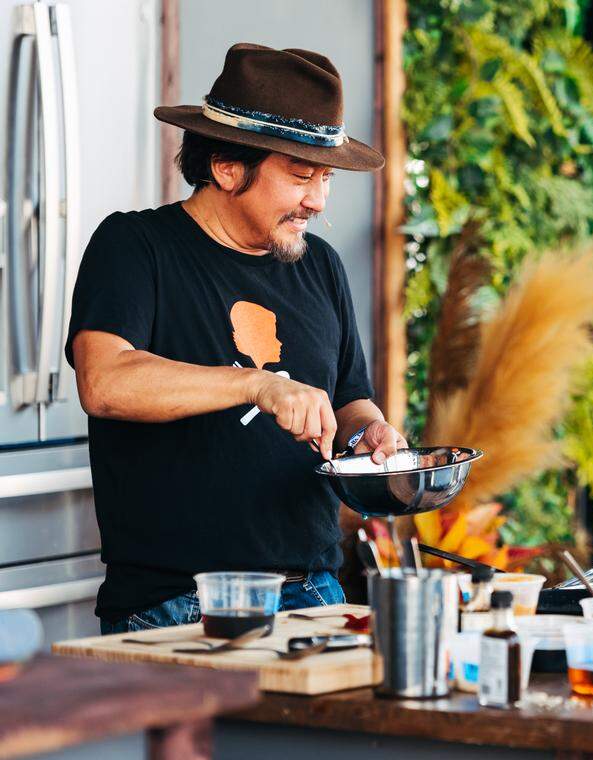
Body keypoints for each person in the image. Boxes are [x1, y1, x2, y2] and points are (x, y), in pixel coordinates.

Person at [66, 43, 406, 634]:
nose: (318, 201)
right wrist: (256, 385)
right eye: (301, 176)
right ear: (227, 167)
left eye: (325, 178)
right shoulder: (134, 247)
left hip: (316, 591)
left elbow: (350, 399)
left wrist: (371, 433)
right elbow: (104, 381)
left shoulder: (319, 265)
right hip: (179, 603)